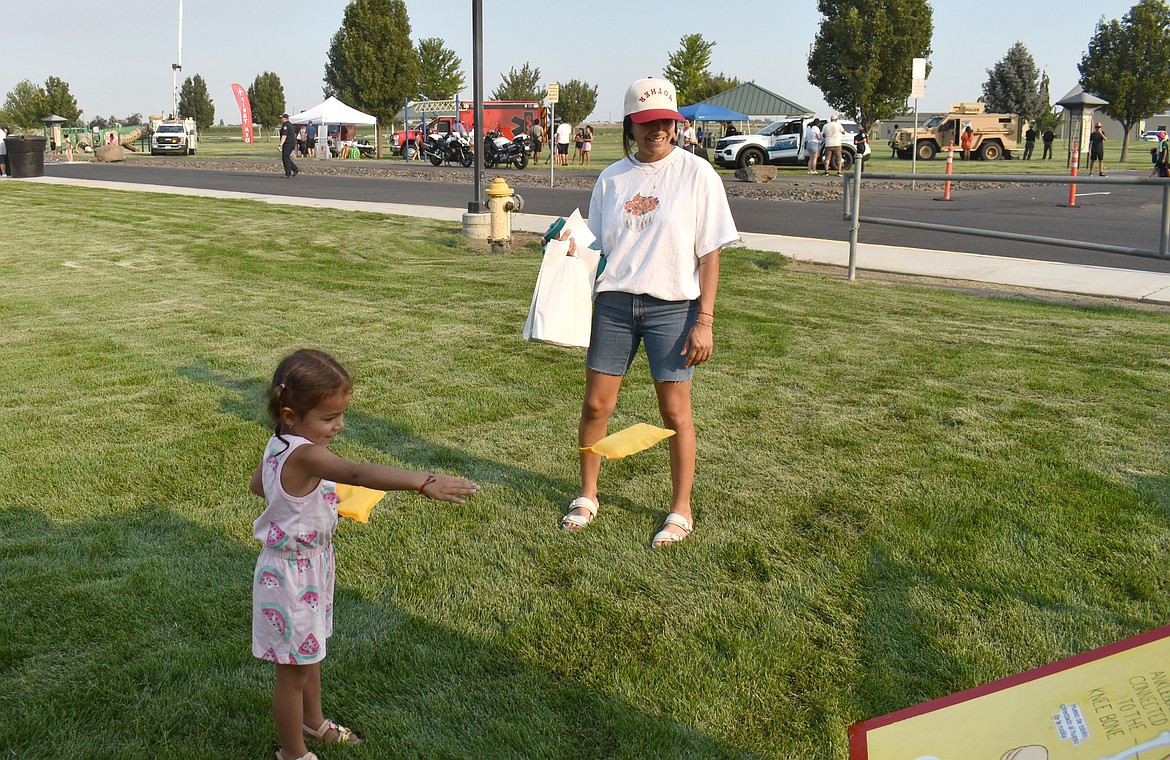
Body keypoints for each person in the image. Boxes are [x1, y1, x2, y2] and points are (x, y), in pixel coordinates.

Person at [250, 348, 480, 760]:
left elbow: (259, 484)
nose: (338, 425)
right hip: (290, 575)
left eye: (340, 415)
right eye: (328, 418)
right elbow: (357, 472)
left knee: (311, 652)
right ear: (290, 414)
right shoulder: (306, 453)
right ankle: (292, 753)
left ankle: (313, 721)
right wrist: (423, 481)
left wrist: (296, 502)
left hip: (311, 565)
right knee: (292, 673)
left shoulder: (279, 444)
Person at [557, 76, 738, 548]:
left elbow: (710, 254)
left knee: (674, 411)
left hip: (674, 308)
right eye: (646, 122)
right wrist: (566, 244)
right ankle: (588, 494)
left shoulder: (698, 175)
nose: (656, 130)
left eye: (664, 121)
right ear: (630, 126)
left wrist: (706, 319)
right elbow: (594, 243)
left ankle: (681, 509)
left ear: (675, 125)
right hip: (615, 304)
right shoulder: (612, 177)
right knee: (597, 404)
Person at [278, 113, 299, 178]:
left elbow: (284, 136)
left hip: (288, 143)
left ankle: (288, 173)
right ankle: (294, 168)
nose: (281, 119)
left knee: (285, 158)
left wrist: (280, 145)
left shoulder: (285, 126)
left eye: (282, 118)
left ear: (284, 118)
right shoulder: (291, 124)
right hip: (292, 143)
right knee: (286, 157)